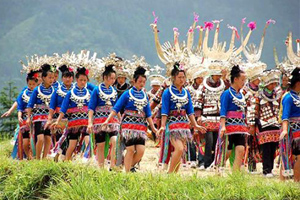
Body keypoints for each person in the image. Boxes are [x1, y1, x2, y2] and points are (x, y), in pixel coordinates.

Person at [103, 66, 157, 172]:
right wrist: (107, 120)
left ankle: (127, 166)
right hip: (128, 127)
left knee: (140, 151)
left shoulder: (144, 96)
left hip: (141, 127)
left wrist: (153, 128)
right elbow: (116, 108)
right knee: (131, 149)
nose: (142, 83)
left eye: (144, 82)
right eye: (140, 81)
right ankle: (127, 173)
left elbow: (148, 114)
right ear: (134, 81)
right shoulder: (127, 94)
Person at [159, 62, 206, 173]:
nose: (182, 79)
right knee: (179, 149)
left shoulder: (186, 92)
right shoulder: (167, 92)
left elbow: (190, 111)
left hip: (184, 125)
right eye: (179, 77)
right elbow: (164, 111)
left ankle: (174, 174)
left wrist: (195, 125)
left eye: (183, 77)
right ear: (173, 78)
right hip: (172, 124)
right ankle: (170, 173)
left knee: (181, 150)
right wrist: (162, 126)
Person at [53, 67, 91, 161]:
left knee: (88, 141)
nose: (82, 82)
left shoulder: (89, 93)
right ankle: (66, 162)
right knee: (72, 145)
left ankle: (86, 161)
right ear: (76, 80)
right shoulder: (70, 93)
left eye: (85, 80)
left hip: (86, 122)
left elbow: (92, 108)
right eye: (81, 80)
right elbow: (64, 108)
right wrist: (57, 120)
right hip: (74, 123)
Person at [87, 65, 120, 169]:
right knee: (100, 145)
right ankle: (101, 167)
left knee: (115, 141)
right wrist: (90, 122)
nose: (113, 80)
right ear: (105, 78)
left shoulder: (114, 91)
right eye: (111, 78)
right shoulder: (96, 90)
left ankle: (113, 165)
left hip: (112, 121)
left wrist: (121, 119)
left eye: (114, 78)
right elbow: (91, 107)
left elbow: (116, 107)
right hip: (99, 122)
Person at [219, 65, 248, 171]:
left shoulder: (241, 95)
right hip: (229, 126)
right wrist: (222, 126)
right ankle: (219, 168)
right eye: (242, 80)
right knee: (228, 150)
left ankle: (235, 176)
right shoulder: (227, 94)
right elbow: (223, 110)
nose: (244, 82)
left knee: (241, 149)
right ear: (235, 79)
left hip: (240, 126)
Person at [255, 70, 282, 177]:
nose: (273, 85)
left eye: (275, 83)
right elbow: (256, 110)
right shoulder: (259, 95)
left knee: (273, 147)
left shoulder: (277, 95)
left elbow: (279, 109)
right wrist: (254, 124)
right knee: (266, 148)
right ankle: (266, 169)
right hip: (264, 124)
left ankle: (270, 168)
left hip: (275, 125)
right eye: (271, 83)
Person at [26, 64, 55, 159]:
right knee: (41, 138)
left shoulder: (54, 90)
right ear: (43, 78)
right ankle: (38, 158)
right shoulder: (37, 90)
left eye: (53, 78)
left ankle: (44, 158)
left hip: (49, 118)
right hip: (38, 117)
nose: (52, 80)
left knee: (48, 138)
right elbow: (30, 105)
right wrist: (28, 118)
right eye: (49, 77)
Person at [279, 67, 300, 182]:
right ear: (298, 83)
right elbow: (285, 116)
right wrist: (285, 130)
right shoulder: (288, 97)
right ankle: (285, 184)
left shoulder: (297, 96)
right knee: (288, 157)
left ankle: (295, 183)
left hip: (299, 132)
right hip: (293, 132)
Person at [16, 71, 38, 159]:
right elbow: (20, 107)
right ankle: (28, 156)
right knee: (25, 141)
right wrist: (19, 116)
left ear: (36, 83)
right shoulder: (23, 94)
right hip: (25, 119)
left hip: (37, 117)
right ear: (27, 83)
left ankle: (36, 156)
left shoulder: (40, 93)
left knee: (37, 139)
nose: (31, 86)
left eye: (33, 84)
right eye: (30, 84)